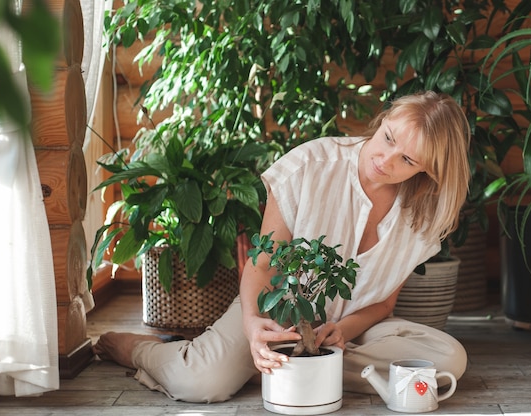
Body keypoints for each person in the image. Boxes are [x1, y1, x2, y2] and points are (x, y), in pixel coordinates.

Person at [93, 90, 471, 403]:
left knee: (448, 358)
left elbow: (384, 303)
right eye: (388, 138)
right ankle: (137, 349)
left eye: (407, 159)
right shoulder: (309, 166)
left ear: (428, 170)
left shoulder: (423, 214)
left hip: (350, 332)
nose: (384, 160)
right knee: (200, 383)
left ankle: (285, 368)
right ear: (383, 118)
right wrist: (253, 326)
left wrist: (340, 330)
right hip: (276, 314)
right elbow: (262, 265)